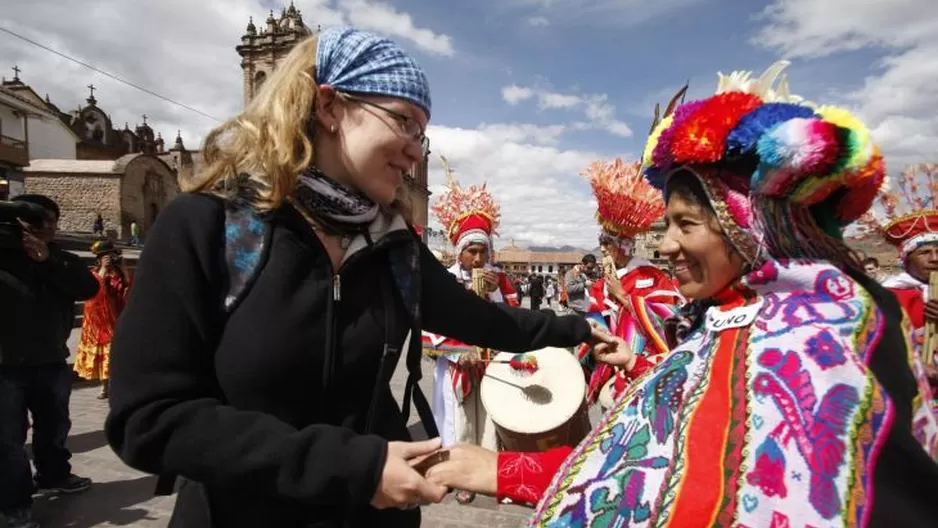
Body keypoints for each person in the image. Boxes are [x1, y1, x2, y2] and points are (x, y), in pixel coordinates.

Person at [103, 27, 607, 528]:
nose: (415, 150)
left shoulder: (394, 244)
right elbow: (149, 419)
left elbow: (486, 321)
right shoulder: (211, 227)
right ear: (329, 107)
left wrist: (583, 332)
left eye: (421, 133)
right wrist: (355, 467)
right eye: (404, 121)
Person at [425, 61, 938, 527]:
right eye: (665, 225)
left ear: (750, 226)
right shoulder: (750, 317)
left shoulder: (815, 340)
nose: (667, 244)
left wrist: (508, 470)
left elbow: (688, 490)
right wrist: (634, 363)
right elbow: (680, 430)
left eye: (685, 224)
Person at [420, 171, 519, 504]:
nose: (478, 259)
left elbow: (516, 318)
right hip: (458, 366)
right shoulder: (443, 280)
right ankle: (461, 477)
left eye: (483, 251)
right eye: (471, 251)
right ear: (459, 252)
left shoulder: (500, 280)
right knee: (460, 421)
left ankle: (491, 475)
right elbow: (427, 327)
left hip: (492, 366)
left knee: (494, 421)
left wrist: (495, 297)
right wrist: (459, 350)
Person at [0, 194, 98, 528]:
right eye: (37, 223)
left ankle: (55, 475)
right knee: (8, 439)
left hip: (51, 359)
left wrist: (47, 261)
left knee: (55, 426)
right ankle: (14, 502)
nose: (46, 229)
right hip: (5, 365)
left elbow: (87, 289)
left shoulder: (61, 259)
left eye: (52, 223)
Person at [577, 157, 683, 406]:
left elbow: (670, 316)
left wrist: (624, 297)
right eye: (602, 244)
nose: (603, 251)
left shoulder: (652, 276)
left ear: (623, 248)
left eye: (608, 245)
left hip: (646, 367)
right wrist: (597, 333)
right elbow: (594, 317)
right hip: (609, 366)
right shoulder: (600, 283)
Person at [868, 163, 938, 407]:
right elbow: (877, 349)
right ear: (907, 261)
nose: (935, 258)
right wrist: (916, 365)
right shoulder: (889, 297)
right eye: (925, 252)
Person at [73, 241, 132, 399]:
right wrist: (104, 270)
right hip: (100, 323)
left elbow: (127, 289)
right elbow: (97, 293)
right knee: (105, 354)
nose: (110, 259)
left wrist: (124, 270)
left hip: (116, 317)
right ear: (99, 259)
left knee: (116, 354)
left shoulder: (117, 273)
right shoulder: (94, 274)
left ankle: (118, 385)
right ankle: (105, 386)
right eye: (106, 256)